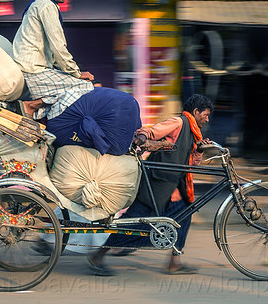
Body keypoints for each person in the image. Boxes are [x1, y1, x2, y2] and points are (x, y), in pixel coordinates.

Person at [87, 94, 213, 276]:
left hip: (174, 187)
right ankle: (98, 255)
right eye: (205, 115)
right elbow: (152, 131)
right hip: (155, 185)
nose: (207, 119)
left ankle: (174, 263)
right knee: (135, 222)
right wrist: (142, 137)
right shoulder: (178, 122)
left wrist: (200, 149)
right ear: (196, 112)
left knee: (183, 217)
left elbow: (192, 164)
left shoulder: (194, 133)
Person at [11, 0, 95, 120]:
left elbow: (52, 50)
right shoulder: (47, 6)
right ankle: (32, 106)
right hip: (33, 69)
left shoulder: (41, 3)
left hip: (34, 66)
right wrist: (76, 73)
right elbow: (58, 46)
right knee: (85, 86)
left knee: (71, 87)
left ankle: (35, 110)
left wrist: (68, 71)